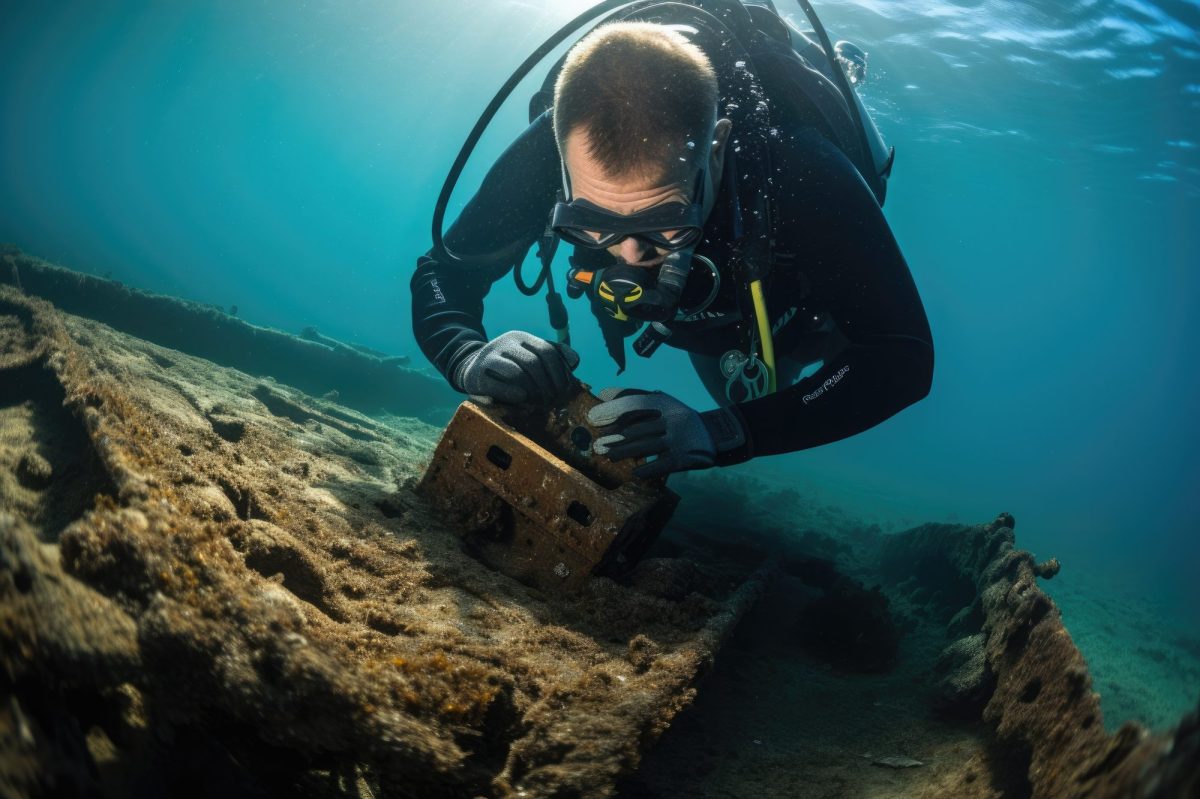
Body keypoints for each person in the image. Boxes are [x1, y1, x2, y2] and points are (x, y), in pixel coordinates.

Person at [411, 6, 933, 479]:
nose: (631, 258)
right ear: (562, 162)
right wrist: (467, 355)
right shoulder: (547, 152)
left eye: (663, 223)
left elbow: (900, 355)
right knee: (728, 376)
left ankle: (845, 73)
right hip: (702, 324)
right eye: (591, 222)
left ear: (716, 150)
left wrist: (725, 431)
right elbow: (444, 272)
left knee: (780, 379)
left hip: (785, 306)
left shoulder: (801, 171)